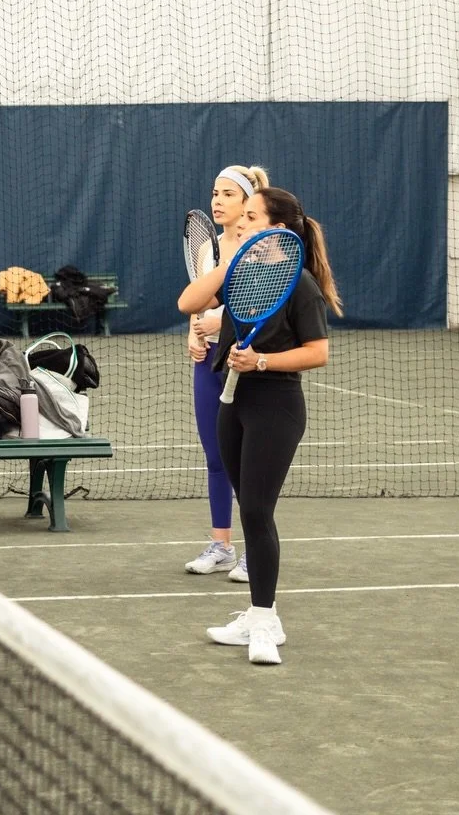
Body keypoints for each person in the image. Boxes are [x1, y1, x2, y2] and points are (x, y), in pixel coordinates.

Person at [178, 187, 341, 665]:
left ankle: (267, 620)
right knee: (247, 507)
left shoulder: (301, 284)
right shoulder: (242, 274)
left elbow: (318, 353)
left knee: (256, 510)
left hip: (277, 407)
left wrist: (262, 361)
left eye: (251, 216)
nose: (241, 222)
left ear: (278, 230)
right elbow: (189, 302)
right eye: (242, 215)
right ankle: (254, 615)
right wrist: (229, 265)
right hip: (232, 404)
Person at [184, 165, 270, 580]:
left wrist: (223, 321)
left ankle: (256, 552)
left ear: (248, 201)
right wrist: (194, 332)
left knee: (249, 461)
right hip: (209, 363)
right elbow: (199, 301)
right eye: (215, 193)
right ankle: (221, 545)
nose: (217, 201)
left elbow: (264, 306)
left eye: (228, 194)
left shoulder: (265, 247)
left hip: (247, 361)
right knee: (216, 456)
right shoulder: (209, 249)